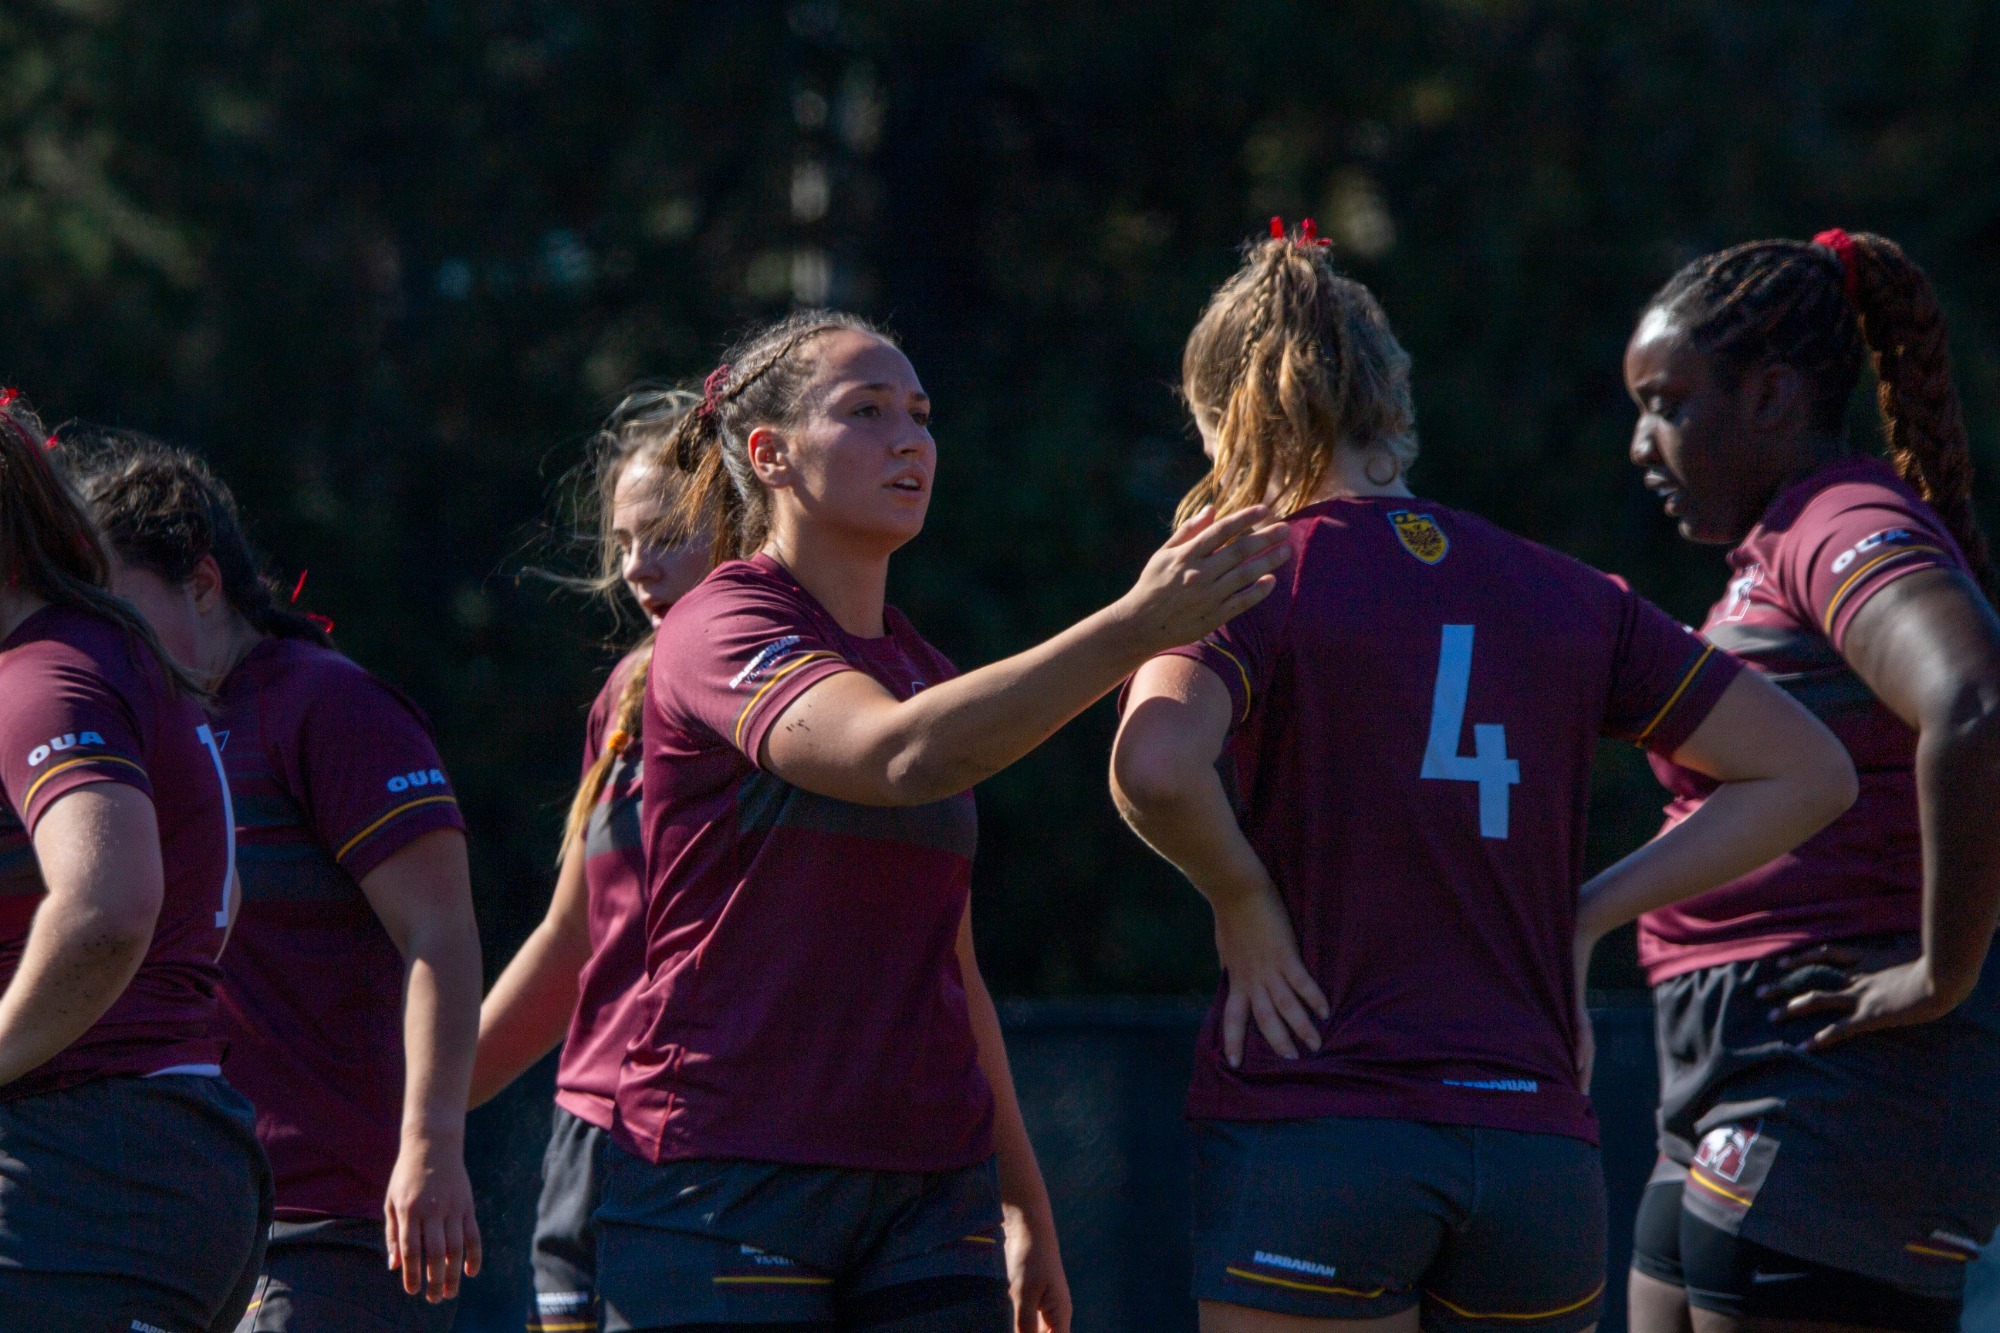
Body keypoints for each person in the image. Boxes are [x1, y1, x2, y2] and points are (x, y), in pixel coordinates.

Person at [1108, 222, 1858, 1333]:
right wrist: (1584, 914)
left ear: (1224, 412)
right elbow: (1807, 771)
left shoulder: (1244, 574)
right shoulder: (1565, 592)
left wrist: (1241, 895)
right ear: (1389, 398)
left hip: (1321, 1126)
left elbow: (1155, 764)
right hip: (1534, 1156)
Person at [597, 307, 1292, 1333]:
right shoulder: (720, 623)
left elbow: (950, 965)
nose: (909, 437)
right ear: (770, 455)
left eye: (919, 413)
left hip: (928, 1190)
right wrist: (1136, 626)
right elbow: (896, 754)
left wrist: (1024, 1202)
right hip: (726, 1166)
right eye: (865, 411)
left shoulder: (924, 668)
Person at [1617, 230, 2000, 1333]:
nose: (1643, 444)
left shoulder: (1838, 522)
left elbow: (1972, 700)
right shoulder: (1771, 544)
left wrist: (1936, 972)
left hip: (1840, 1075)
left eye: (1669, 404)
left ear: (1774, 395)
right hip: (1729, 1055)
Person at [63, 431, 485, 1330]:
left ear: (204, 585)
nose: (100, 640)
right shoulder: (141, 734)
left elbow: (439, 933)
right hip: (190, 1227)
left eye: (116, 608)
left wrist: (432, 1143)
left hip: (335, 1229)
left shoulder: (327, 706)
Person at [0, 393, 270, 1329]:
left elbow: (108, 908)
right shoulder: (106, 657)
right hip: (137, 1161)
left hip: (86, 1168)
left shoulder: (40, 678)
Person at [468, 386, 712, 1333]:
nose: (638, 566)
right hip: (593, 1133)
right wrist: (418, 1118)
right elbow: (573, 938)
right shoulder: (622, 693)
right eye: (622, 541)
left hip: (720, 1145)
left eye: (668, 535)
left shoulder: (801, 693)